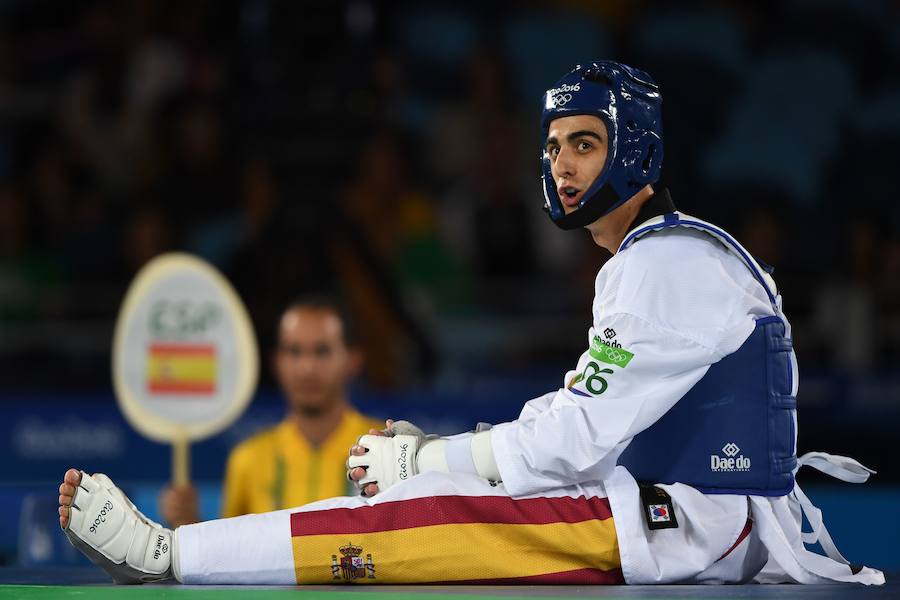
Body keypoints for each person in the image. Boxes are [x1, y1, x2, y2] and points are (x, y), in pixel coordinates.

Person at [57, 61, 884, 586]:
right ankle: (182, 550)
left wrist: (432, 455)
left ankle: (171, 557)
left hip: (688, 524)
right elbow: (589, 428)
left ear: (637, 153)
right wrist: (440, 458)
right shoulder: (683, 253)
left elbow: (573, 440)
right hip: (703, 513)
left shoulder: (660, 265)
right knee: (432, 487)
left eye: (586, 144)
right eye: (555, 145)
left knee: (422, 512)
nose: (561, 165)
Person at [159, 295, 384, 527]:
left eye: (322, 351)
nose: (307, 368)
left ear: (353, 360)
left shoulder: (383, 450)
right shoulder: (248, 459)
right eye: (295, 352)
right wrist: (190, 524)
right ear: (277, 362)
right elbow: (231, 558)